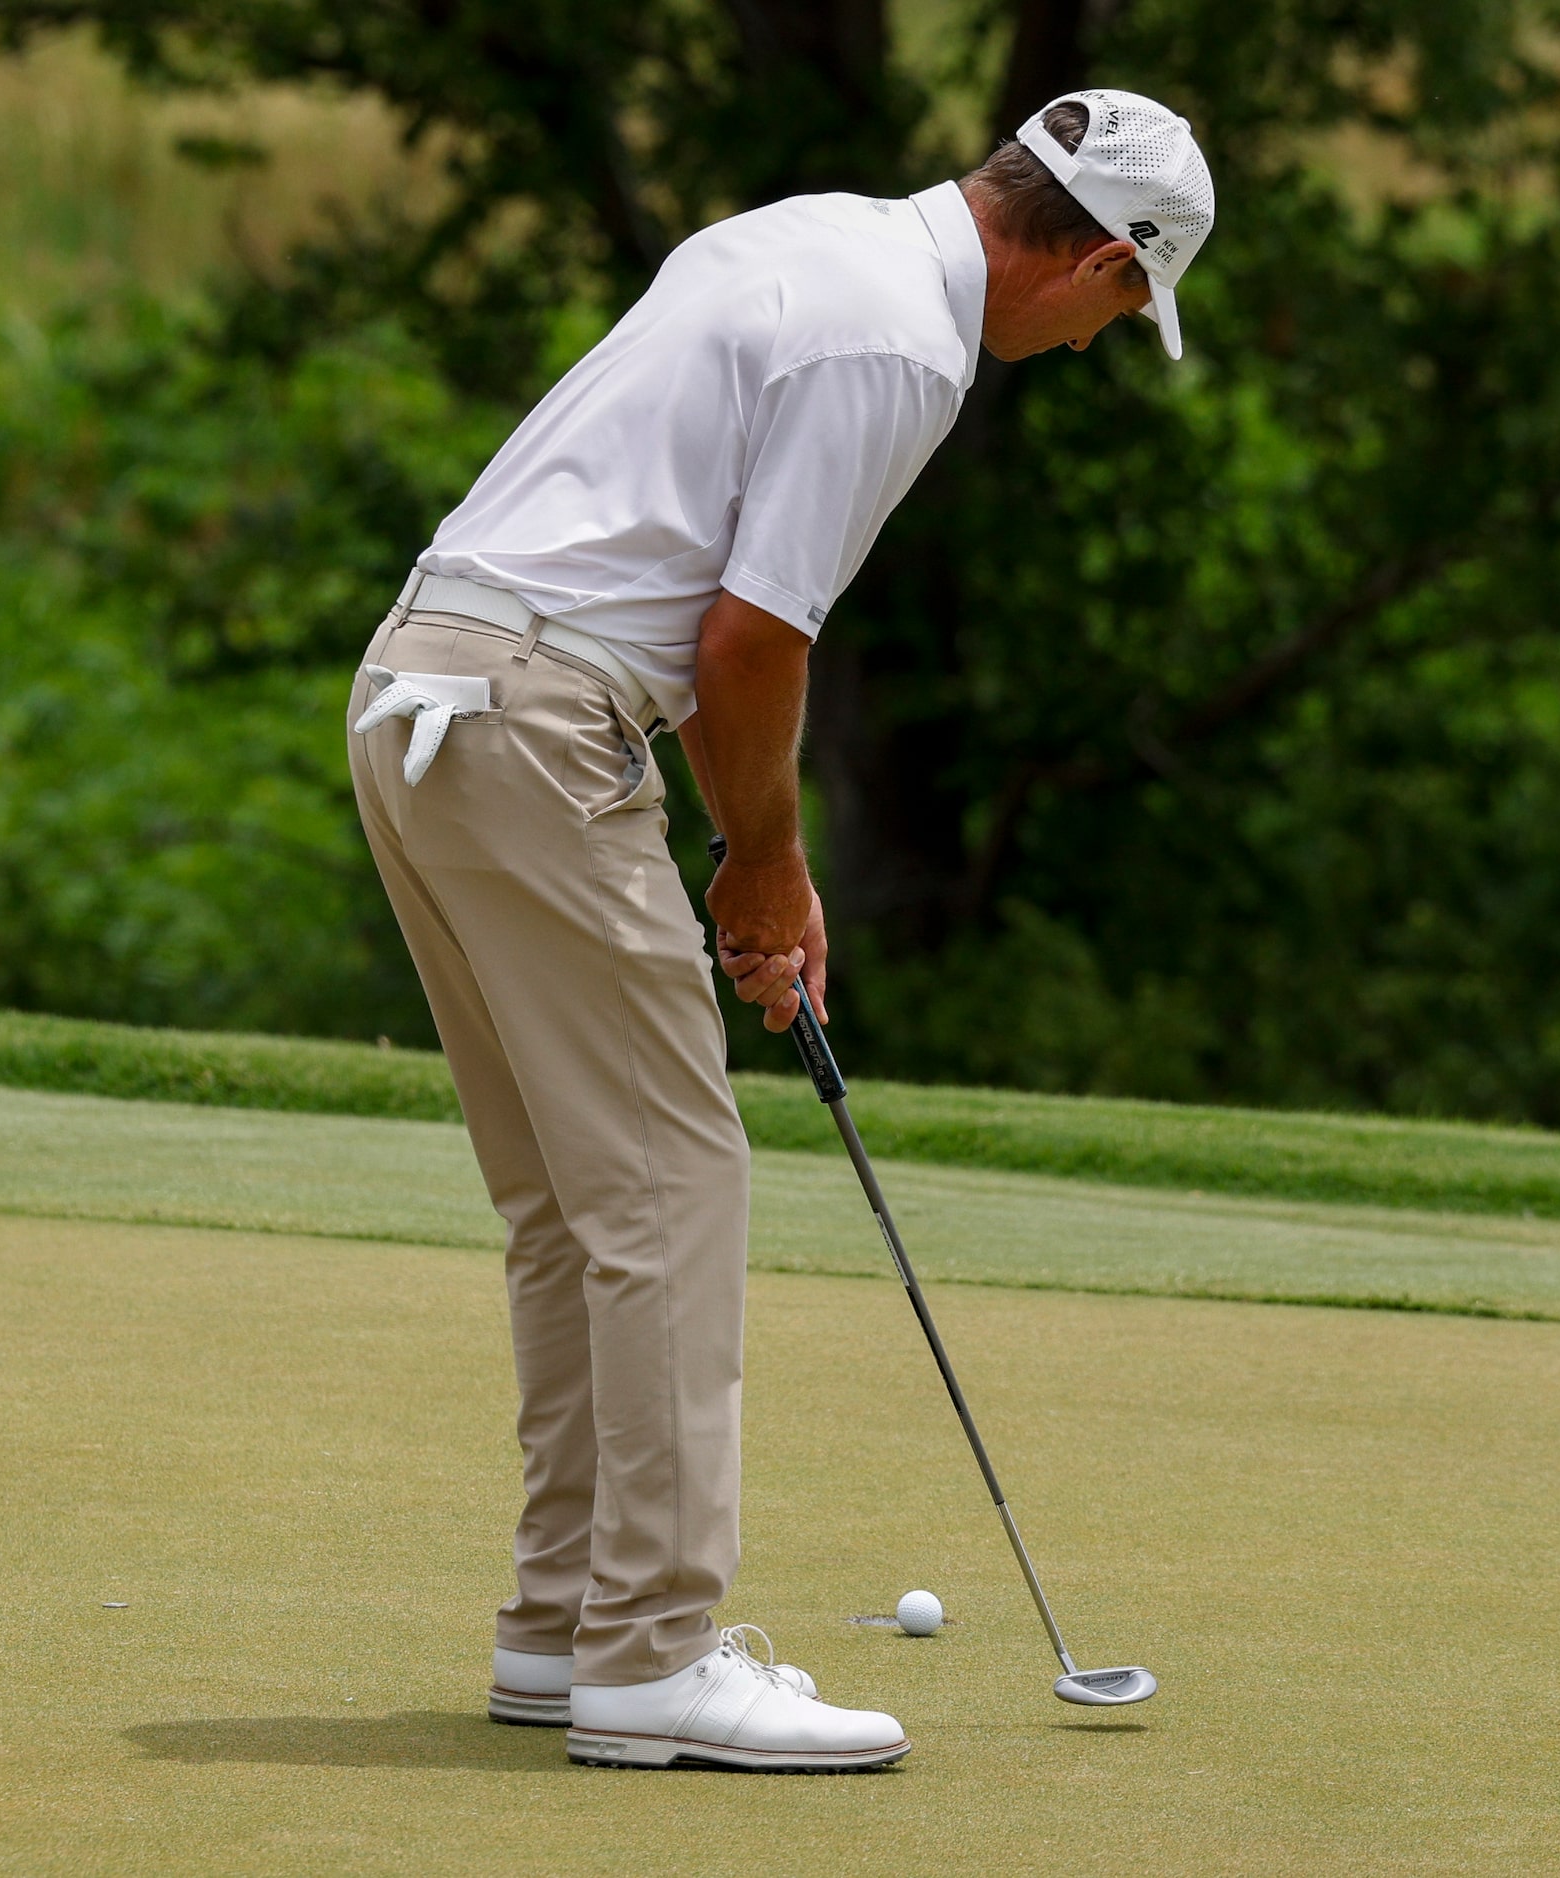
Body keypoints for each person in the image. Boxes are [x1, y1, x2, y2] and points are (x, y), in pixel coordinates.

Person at [345, 89, 1215, 1773]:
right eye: (1123, 307)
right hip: (535, 710)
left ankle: (563, 1628)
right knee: (675, 1181)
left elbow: (684, 591)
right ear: (1103, 256)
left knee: (575, 1197)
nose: (1102, 339)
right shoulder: (902, 348)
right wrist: (767, 867)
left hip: (419, 684)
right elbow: (751, 641)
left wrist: (748, 859)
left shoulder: (811, 233)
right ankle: (654, 1650)